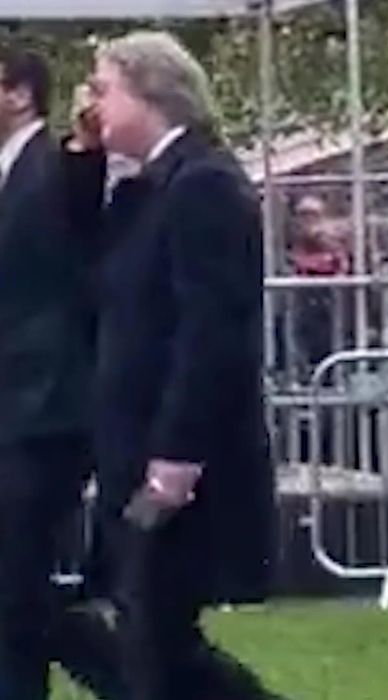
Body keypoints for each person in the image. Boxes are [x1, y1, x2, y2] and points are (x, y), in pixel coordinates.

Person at [80, 31, 280, 700]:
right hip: (131, 444)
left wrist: (177, 453)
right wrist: (83, 155)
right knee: (142, 638)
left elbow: (213, 332)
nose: (91, 104)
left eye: (103, 89)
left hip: (173, 457)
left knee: (158, 644)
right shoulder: (149, 188)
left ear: (151, 93)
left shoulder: (205, 185)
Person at [0, 46, 128, 700]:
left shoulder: (52, 166)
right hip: (14, 407)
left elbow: (79, 203)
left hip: (44, 410)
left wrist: (86, 145)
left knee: (15, 576)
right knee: (16, 585)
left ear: (17, 93)